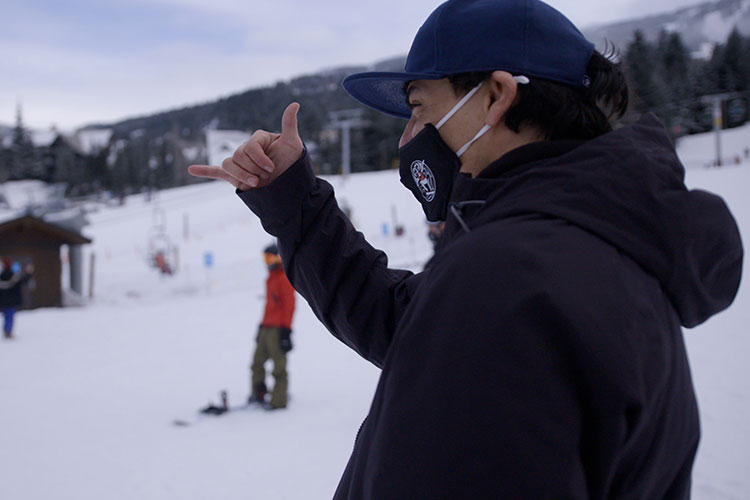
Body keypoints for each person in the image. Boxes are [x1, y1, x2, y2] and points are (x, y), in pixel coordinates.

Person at [188, 0, 743, 497]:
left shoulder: (511, 272)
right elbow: (407, 320)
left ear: (498, 96)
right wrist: (293, 202)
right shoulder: (583, 248)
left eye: (420, 107)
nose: (410, 137)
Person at [248, 243, 296, 410]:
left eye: (269, 258)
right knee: (257, 362)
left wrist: (286, 331)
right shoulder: (270, 279)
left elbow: (289, 306)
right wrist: (261, 326)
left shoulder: (284, 279)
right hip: (266, 327)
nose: (267, 262)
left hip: (277, 329)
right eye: (265, 258)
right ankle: (258, 392)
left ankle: (279, 400)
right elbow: (269, 306)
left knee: (278, 366)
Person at [0, 257, 34, 340]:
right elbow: (24, 280)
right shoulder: (14, 276)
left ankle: (6, 330)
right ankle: (8, 331)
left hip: (3, 300)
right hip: (12, 300)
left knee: (6, 316)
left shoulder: (1, 276)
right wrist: (29, 273)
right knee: (10, 316)